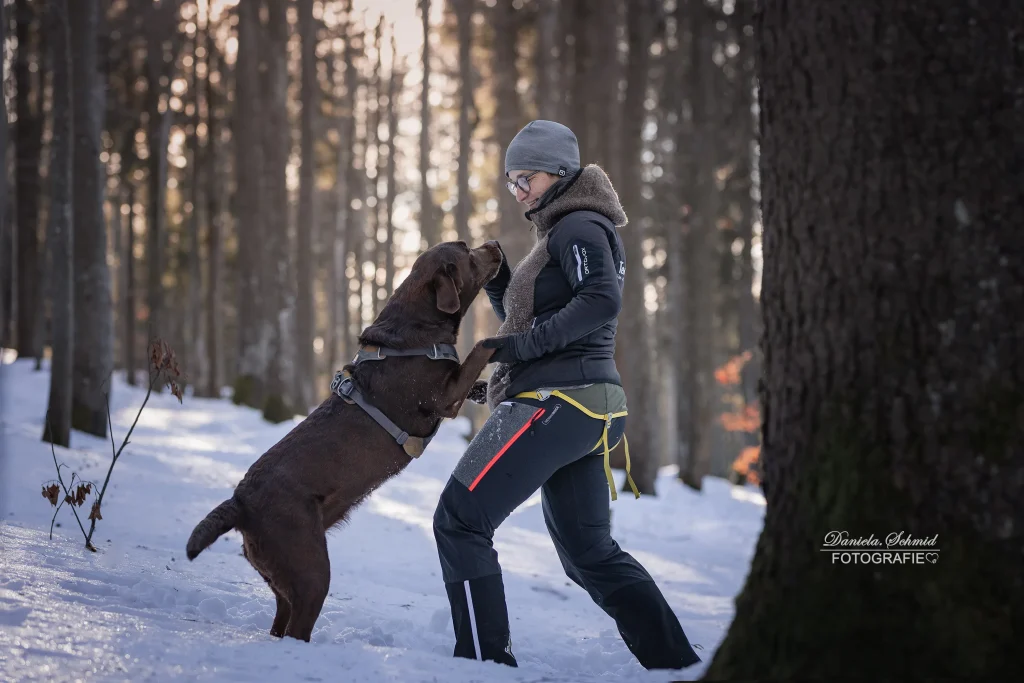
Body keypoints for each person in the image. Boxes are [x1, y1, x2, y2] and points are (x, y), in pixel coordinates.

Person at [432, 120, 701, 671]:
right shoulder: (563, 231)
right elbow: (544, 319)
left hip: (558, 401)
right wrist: (501, 284)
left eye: (525, 178)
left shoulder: (579, 224)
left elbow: (600, 300)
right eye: (511, 182)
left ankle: (481, 664)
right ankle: (677, 665)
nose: (518, 192)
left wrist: (515, 348)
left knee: (460, 520)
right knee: (588, 553)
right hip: (585, 407)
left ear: (558, 171)